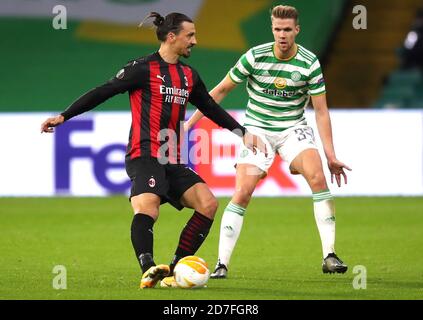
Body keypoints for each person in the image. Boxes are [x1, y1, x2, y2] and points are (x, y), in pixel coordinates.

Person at [40, 12, 266, 289]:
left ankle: (173, 271)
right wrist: (65, 116)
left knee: (208, 204)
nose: (194, 41)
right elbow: (103, 91)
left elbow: (209, 107)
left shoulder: (188, 75)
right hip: (143, 154)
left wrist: (241, 133)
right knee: (148, 207)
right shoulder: (142, 68)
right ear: (172, 37)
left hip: (171, 157)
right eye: (190, 35)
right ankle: (148, 268)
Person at [185, 5, 351, 278]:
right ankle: (221, 264)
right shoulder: (254, 57)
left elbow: (321, 111)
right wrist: (191, 124)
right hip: (256, 132)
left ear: (296, 30)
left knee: (318, 178)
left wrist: (331, 155)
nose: (282, 35)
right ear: (272, 29)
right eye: (277, 29)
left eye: (287, 29)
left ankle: (329, 255)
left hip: (293, 130)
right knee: (243, 192)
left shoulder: (309, 63)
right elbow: (220, 90)